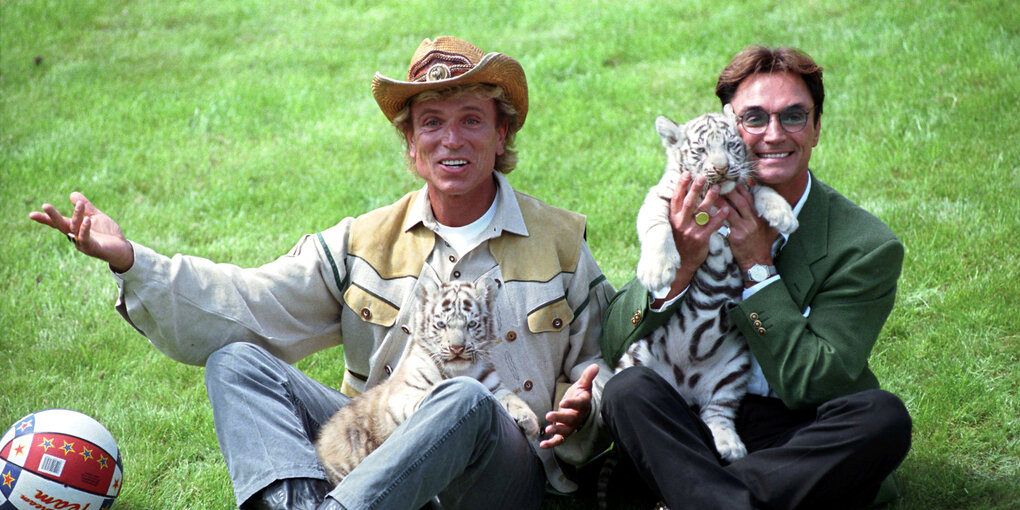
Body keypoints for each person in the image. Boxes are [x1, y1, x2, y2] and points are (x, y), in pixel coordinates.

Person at [30, 36, 616, 510]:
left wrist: (581, 407)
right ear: (411, 143)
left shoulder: (560, 242)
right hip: (373, 448)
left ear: (502, 132)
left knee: (461, 399)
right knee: (237, 363)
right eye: (431, 123)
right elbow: (248, 303)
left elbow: (605, 368)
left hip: (496, 476)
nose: (450, 140)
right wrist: (132, 258)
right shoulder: (360, 242)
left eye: (471, 119)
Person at [598, 46, 912, 509]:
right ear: (729, 127)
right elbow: (613, 341)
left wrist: (758, 268)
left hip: (793, 427)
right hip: (690, 418)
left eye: (794, 116)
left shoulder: (865, 246)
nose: (773, 134)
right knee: (628, 390)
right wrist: (682, 263)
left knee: (883, 417)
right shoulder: (692, 206)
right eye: (754, 119)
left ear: (817, 128)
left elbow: (817, 382)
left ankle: (690, 495)